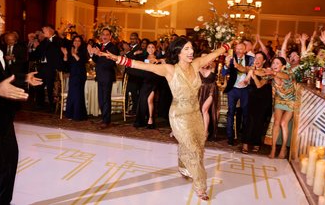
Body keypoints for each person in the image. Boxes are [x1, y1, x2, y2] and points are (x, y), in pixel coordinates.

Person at [101, 37, 232, 200]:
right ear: (178, 52)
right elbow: (143, 66)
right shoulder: (170, 69)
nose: (191, 52)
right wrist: (118, 59)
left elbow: (213, 54)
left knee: (198, 147)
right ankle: (201, 186)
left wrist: (227, 46)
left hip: (195, 113)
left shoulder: (196, 64)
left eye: (191, 48)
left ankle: (184, 166)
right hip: (179, 115)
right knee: (192, 149)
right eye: (186, 49)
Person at [0, 0, 42, 204]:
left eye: (3, 17)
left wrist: (24, 78)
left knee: (8, 168)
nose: (2, 21)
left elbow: (3, 75)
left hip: (4, 118)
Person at [256, 57, 296, 159]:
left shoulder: (288, 73)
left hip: (291, 101)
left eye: (277, 63)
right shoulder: (271, 74)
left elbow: (283, 76)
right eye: (273, 63)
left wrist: (270, 73)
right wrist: (252, 74)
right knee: (276, 123)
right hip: (279, 100)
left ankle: (283, 148)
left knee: (283, 123)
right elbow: (259, 85)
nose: (274, 65)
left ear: (283, 66)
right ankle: (273, 148)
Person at [240, 51, 272, 154]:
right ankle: (245, 143)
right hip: (252, 96)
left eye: (259, 58)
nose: (257, 60)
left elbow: (259, 85)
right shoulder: (251, 70)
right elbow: (246, 80)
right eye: (255, 58)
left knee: (259, 121)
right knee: (249, 120)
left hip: (263, 98)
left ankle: (256, 143)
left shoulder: (267, 72)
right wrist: (244, 81)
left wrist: (253, 75)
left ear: (264, 61)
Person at [222, 42, 253, 146]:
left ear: (245, 50)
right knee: (230, 113)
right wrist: (226, 65)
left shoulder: (250, 59)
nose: (239, 51)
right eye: (237, 49)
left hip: (245, 90)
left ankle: (244, 138)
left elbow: (251, 71)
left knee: (246, 114)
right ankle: (230, 137)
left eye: (241, 49)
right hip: (233, 89)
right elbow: (223, 73)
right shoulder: (231, 58)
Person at [87, 28, 119, 129]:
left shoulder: (113, 47)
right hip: (100, 76)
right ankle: (104, 118)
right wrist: (92, 54)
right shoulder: (99, 46)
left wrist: (99, 54)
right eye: (103, 34)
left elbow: (111, 63)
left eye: (106, 34)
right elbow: (96, 60)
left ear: (110, 36)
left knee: (105, 99)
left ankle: (106, 121)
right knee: (101, 99)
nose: (104, 36)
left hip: (107, 76)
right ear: (100, 36)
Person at [33, 24, 63, 111]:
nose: (43, 33)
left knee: (51, 87)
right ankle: (39, 104)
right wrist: (34, 48)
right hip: (42, 67)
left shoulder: (57, 40)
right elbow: (37, 54)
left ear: (51, 30)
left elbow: (58, 53)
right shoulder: (44, 41)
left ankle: (52, 106)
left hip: (52, 67)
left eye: (44, 30)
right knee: (38, 84)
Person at [61, 35, 88, 121]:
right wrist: (65, 55)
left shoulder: (83, 51)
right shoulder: (70, 50)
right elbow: (66, 66)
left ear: (81, 42)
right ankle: (70, 114)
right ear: (73, 42)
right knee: (72, 94)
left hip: (80, 75)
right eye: (75, 40)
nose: (76, 42)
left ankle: (78, 115)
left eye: (79, 41)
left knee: (78, 95)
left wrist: (74, 54)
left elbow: (82, 62)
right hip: (73, 75)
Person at [198, 50, 219, 140]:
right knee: (198, 111)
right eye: (203, 57)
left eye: (206, 57)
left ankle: (205, 132)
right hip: (200, 90)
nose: (204, 59)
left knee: (204, 109)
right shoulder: (197, 67)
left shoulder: (213, 66)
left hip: (211, 90)